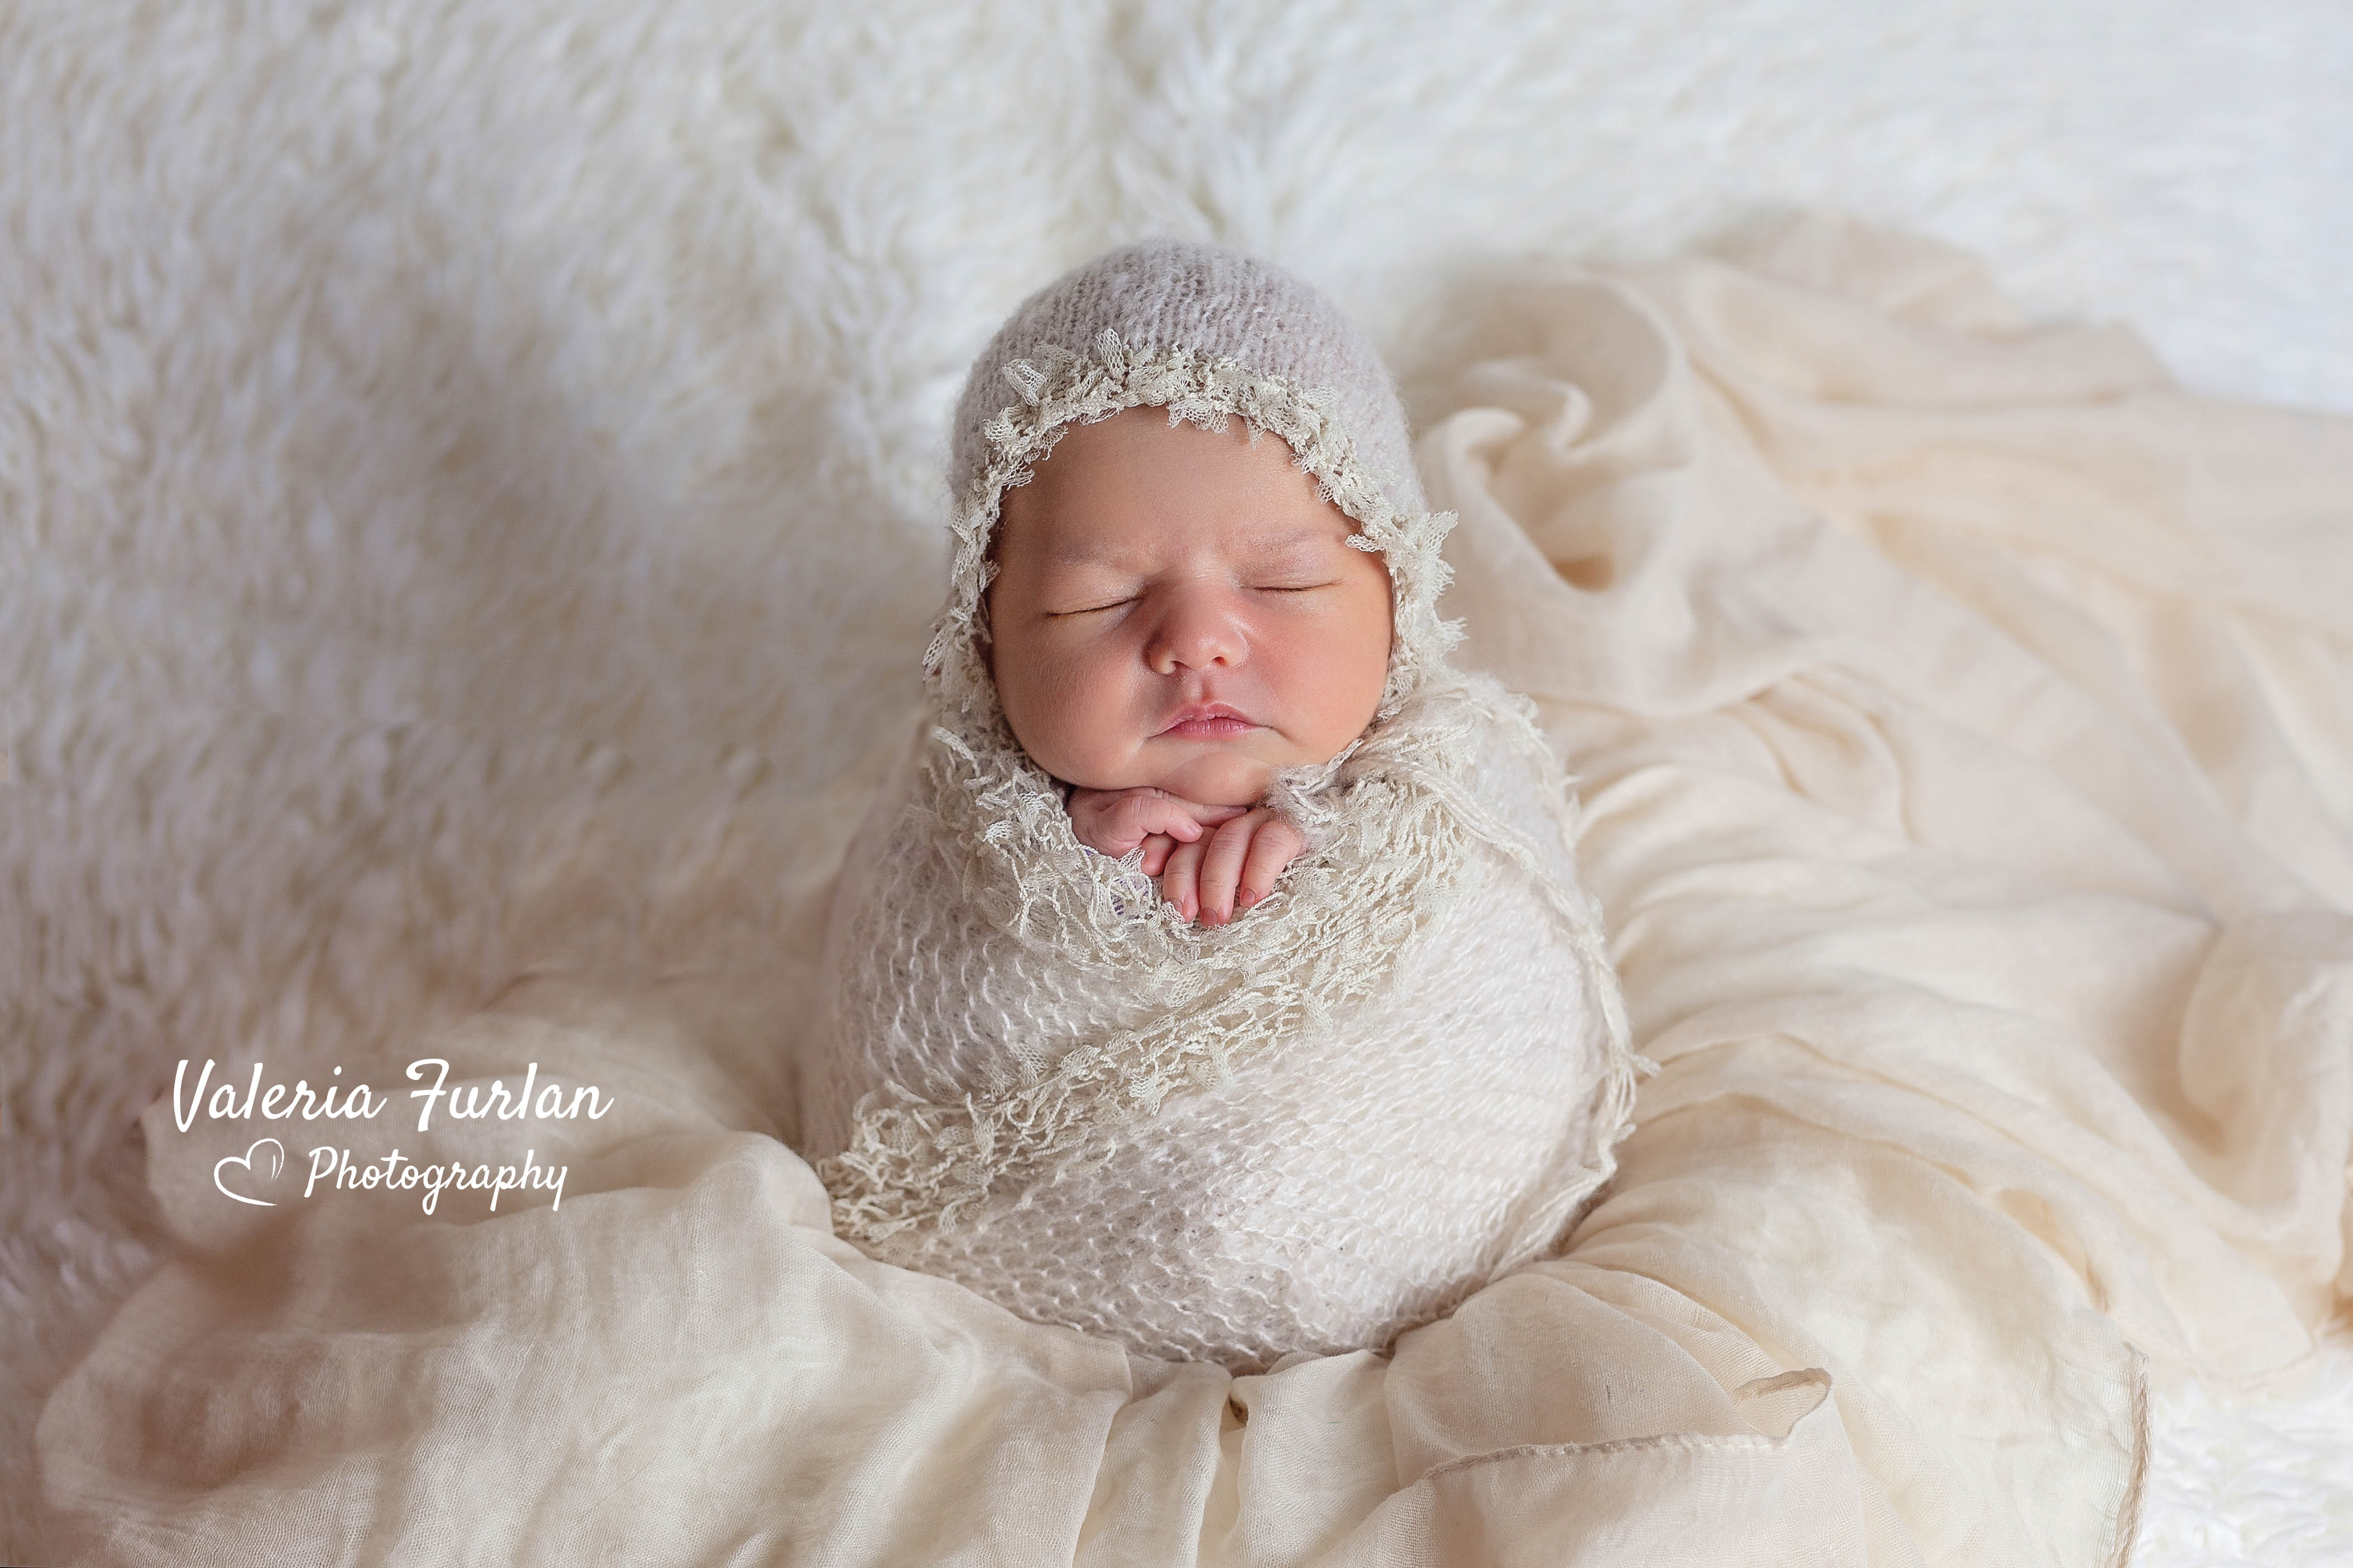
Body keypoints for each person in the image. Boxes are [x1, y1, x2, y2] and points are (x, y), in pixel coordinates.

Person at [802, 238, 1633, 1370]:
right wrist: (1070, 877)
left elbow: (1498, 990)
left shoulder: (1446, 783)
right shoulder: (952, 816)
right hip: (1018, 1354)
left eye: (1283, 584)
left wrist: (1331, 845)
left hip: (1432, 1325)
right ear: (985, 638)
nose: (1195, 638)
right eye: (1101, 599)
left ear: (1398, 596)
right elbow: (909, 1024)